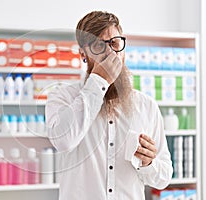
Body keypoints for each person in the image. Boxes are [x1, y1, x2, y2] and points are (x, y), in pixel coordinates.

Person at [45, 11, 173, 200]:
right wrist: (99, 81)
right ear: (83, 54)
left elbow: (164, 177)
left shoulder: (146, 106)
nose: (110, 53)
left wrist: (148, 163)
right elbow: (63, 141)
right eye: (98, 45)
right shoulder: (63, 97)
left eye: (115, 43)